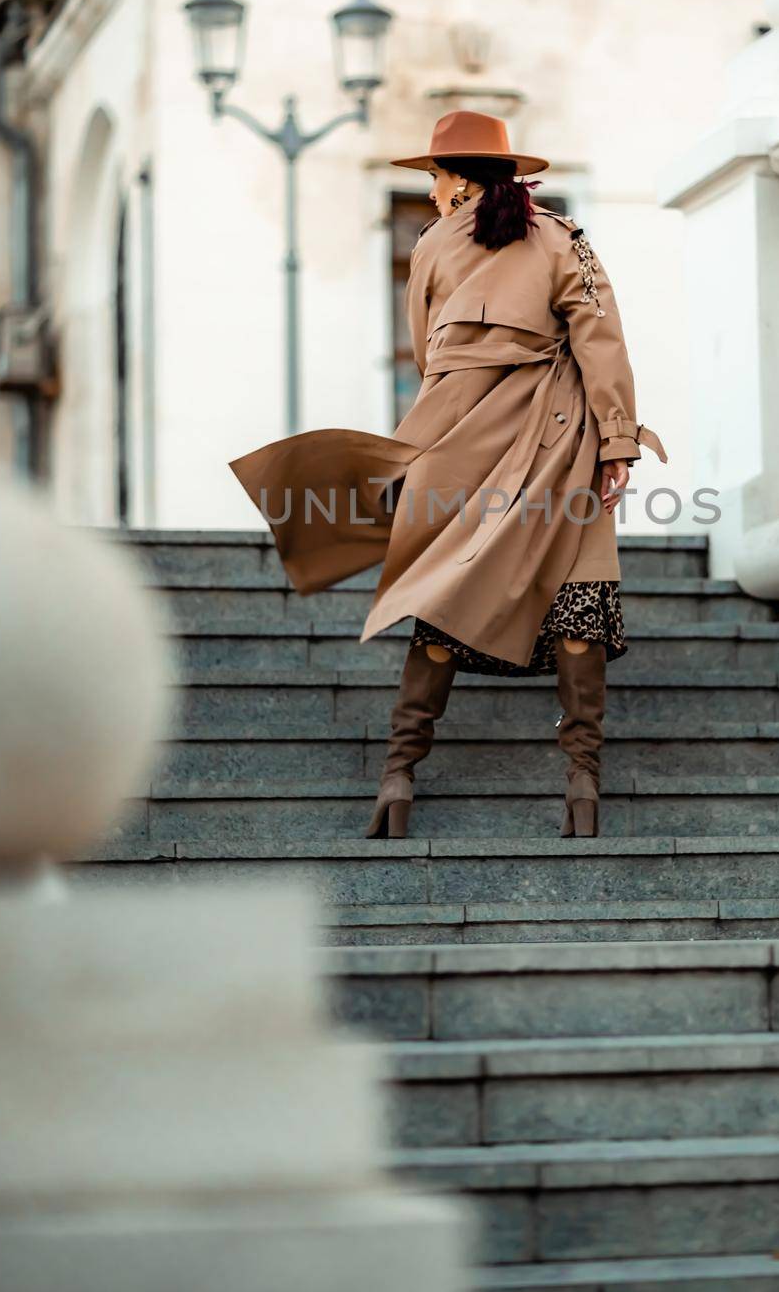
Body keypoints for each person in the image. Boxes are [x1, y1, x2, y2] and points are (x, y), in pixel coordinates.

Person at [229, 110, 666, 840]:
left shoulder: (430, 247)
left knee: (442, 596)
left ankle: (398, 776)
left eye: (432, 177)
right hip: (557, 434)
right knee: (578, 600)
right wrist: (615, 439)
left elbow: (427, 353)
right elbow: (600, 340)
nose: (431, 193)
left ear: (456, 180)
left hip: (457, 438)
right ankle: (581, 784)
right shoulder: (564, 240)